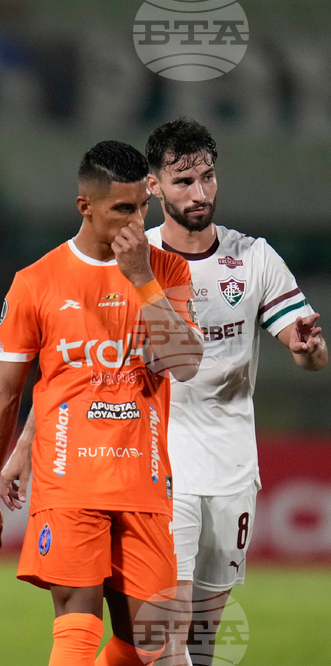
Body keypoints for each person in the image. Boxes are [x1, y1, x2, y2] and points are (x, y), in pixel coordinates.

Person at [0, 141, 204, 666]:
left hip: (142, 479)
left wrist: (142, 279)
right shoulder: (37, 282)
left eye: (142, 207)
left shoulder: (166, 272)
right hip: (68, 477)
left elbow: (187, 362)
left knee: (150, 641)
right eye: (123, 209)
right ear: (86, 206)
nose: (136, 221)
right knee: (77, 624)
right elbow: (8, 390)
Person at [142, 118, 327, 665]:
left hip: (232, 467)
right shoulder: (136, 260)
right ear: (154, 187)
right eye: (183, 182)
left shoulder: (253, 258)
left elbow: (312, 357)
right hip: (161, 466)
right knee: (167, 641)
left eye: (208, 178)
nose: (200, 194)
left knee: (202, 643)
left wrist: (308, 348)